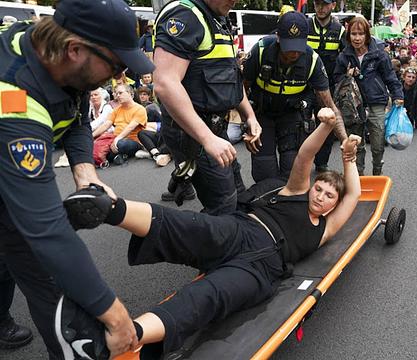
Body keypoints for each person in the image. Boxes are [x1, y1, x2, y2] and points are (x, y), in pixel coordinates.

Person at [55, 108, 362, 359]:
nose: (320, 196)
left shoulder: (325, 228)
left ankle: (118, 339)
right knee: (189, 226)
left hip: (263, 269)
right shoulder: (296, 191)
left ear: (334, 205)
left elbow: (353, 196)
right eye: (319, 188)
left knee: (208, 297)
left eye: (328, 196)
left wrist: (349, 160)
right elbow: (305, 157)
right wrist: (326, 126)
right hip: (243, 229)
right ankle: (106, 207)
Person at [0, 0, 155, 358]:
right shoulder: (13, 97)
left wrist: (84, 169)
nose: (120, 78)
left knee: (12, 252)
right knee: (42, 269)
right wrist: (115, 316)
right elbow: (46, 230)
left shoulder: (55, 55)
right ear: (74, 50)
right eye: (117, 66)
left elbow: (78, 118)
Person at [153, 0, 262, 214]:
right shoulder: (186, 15)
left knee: (237, 192)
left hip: (214, 127)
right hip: (194, 131)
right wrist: (207, 138)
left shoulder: (217, 18)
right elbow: (165, 83)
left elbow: (229, 78)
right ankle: (198, 243)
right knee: (223, 203)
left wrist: (249, 115)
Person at [243, 11, 347, 182]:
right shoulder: (261, 51)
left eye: (298, 47)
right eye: (288, 46)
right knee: (264, 170)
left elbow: (331, 106)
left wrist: (344, 140)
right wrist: (248, 120)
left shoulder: (312, 61)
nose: (293, 53)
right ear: (277, 37)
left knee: (293, 171)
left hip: (291, 115)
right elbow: (242, 88)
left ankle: (286, 206)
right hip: (262, 114)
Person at [334, 16, 404, 175]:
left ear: (367, 35)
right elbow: (336, 79)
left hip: (376, 103)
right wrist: (347, 75)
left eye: (360, 34)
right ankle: (358, 176)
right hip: (354, 106)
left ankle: (377, 170)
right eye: (353, 34)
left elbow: (390, 77)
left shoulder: (379, 54)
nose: (357, 38)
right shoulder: (344, 56)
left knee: (378, 144)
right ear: (348, 35)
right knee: (356, 144)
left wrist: (398, 95)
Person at [306, 0, 346, 172]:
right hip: (304, 87)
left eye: (325, 4)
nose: (320, 8)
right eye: (317, 4)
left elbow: (347, 56)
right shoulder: (305, 26)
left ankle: (321, 163)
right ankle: (302, 161)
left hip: (327, 89)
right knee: (300, 125)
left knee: (327, 125)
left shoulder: (340, 31)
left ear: (333, 5)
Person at [93, 84, 148, 165]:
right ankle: (118, 155)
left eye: (120, 93)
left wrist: (117, 139)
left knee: (121, 144)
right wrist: (91, 136)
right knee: (96, 146)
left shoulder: (140, 109)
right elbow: (106, 125)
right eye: (116, 93)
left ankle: (114, 155)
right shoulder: (116, 110)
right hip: (115, 139)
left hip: (133, 141)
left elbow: (130, 127)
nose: (118, 96)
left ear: (130, 94)